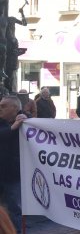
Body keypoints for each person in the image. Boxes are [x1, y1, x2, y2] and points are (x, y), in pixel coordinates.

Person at [0, 96, 28, 232]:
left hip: (13, 174)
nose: (0, 108)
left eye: (4, 106)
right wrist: (13, 128)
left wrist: (24, 119)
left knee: (15, 210)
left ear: (15, 108)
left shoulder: (27, 122)